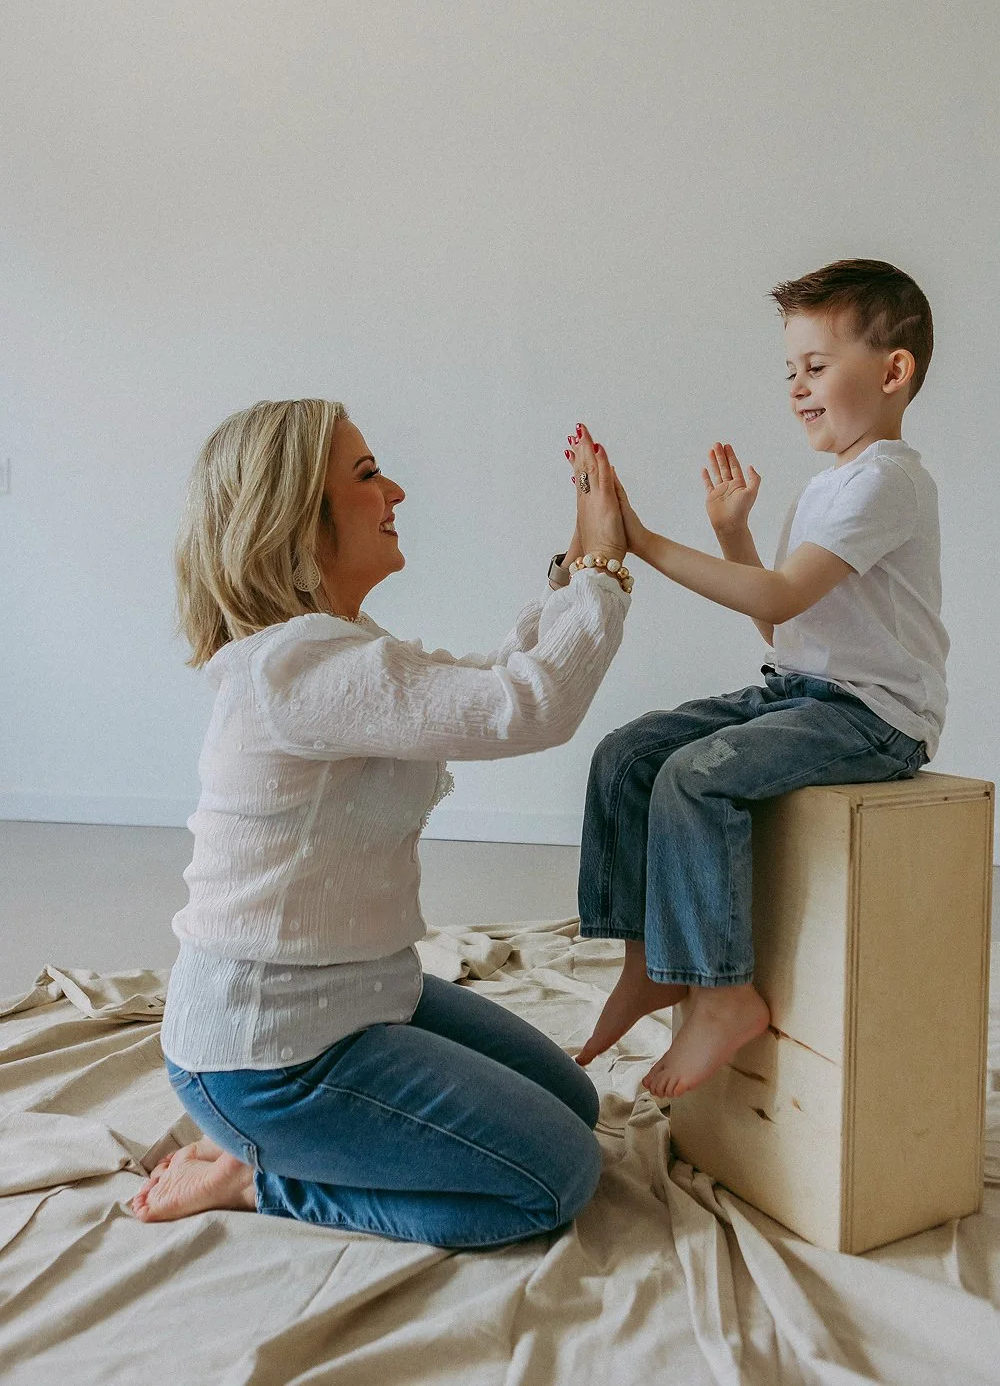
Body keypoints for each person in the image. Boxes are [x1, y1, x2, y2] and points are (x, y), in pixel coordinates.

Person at [132, 403, 634, 1249]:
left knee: (576, 1107)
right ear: (294, 518)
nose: (395, 489)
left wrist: (577, 568)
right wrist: (604, 574)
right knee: (552, 1180)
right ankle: (262, 1178)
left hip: (362, 995)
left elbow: (486, 679)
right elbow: (530, 705)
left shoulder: (337, 650)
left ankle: (282, 1152)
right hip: (269, 1060)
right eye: (367, 476)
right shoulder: (296, 671)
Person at [571, 259, 948, 1100]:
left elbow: (781, 598)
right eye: (791, 372)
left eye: (817, 367)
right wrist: (734, 535)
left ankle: (724, 992)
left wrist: (647, 540)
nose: (798, 387)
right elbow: (785, 622)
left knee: (695, 780)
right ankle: (652, 963)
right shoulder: (829, 487)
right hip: (799, 690)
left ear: (893, 371)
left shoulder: (887, 481)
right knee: (628, 756)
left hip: (872, 716)